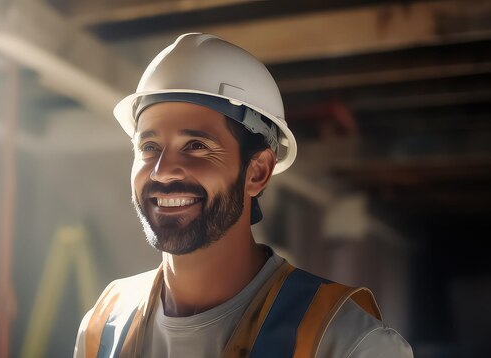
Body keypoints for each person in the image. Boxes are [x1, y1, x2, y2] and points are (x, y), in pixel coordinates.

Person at [74, 33, 413, 357]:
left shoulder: (346, 343)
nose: (163, 171)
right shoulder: (104, 325)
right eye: (149, 147)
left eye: (196, 146)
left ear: (258, 172)